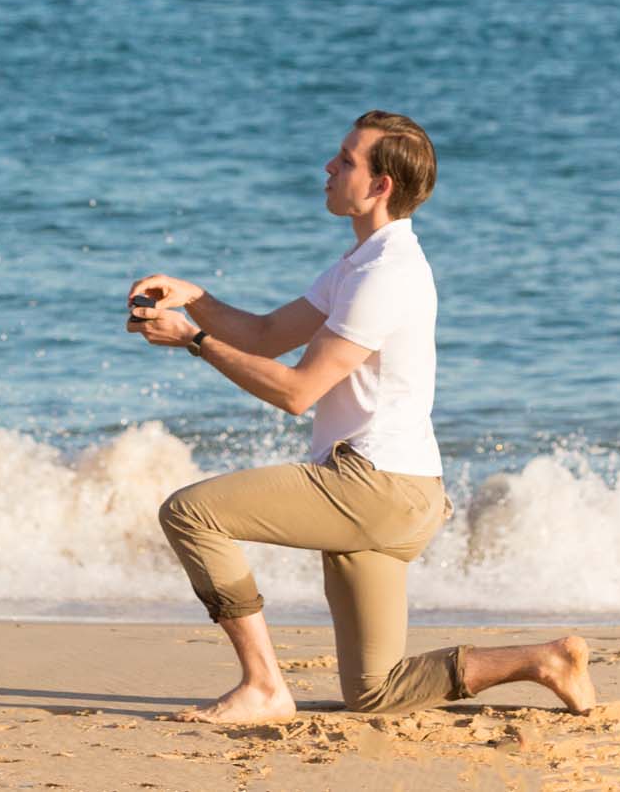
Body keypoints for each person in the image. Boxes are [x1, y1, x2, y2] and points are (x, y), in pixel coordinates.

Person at [126, 111, 595, 724]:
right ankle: (547, 660)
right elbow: (267, 335)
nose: (328, 167)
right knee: (376, 692)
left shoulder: (385, 276)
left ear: (381, 187)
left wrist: (194, 341)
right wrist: (200, 300)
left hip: (371, 486)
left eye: (346, 160)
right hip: (402, 493)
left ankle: (264, 685)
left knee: (190, 512)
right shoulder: (360, 266)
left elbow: (297, 392)